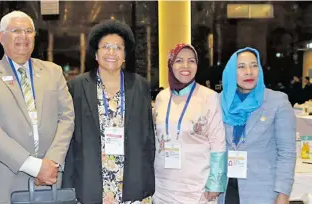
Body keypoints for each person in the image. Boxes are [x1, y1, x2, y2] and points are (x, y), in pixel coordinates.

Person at [0, 11, 74, 203]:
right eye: (16, 30)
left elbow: (67, 117)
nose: (23, 37)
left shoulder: (53, 72)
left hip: (50, 179)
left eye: (28, 31)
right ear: (1, 37)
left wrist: (52, 162)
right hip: (5, 182)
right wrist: (33, 166)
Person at [62, 19, 155, 204]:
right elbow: (70, 140)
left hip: (132, 180)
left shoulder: (140, 85)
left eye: (118, 47)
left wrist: (146, 176)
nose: (112, 52)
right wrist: (68, 184)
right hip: (89, 182)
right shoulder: (77, 87)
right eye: (106, 46)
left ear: (125, 55)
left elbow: (148, 137)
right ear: (96, 53)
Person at [219, 47, 296, 204]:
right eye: (241, 67)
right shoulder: (219, 102)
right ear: (230, 72)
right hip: (226, 189)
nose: (249, 71)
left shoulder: (277, 102)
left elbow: (287, 153)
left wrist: (283, 194)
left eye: (254, 65)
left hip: (263, 191)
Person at [152, 43, 227, 203]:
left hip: (196, 188)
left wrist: (215, 183)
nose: (185, 66)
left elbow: (218, 142)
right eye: (179, 60)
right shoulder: (161, 98)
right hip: (162, 186)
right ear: (171, 64)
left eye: (191, 61)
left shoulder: (209, 97)